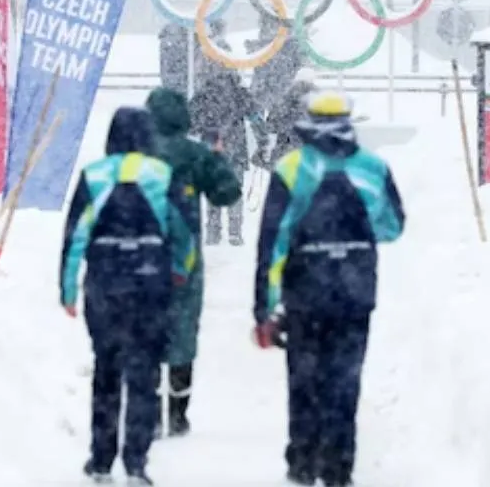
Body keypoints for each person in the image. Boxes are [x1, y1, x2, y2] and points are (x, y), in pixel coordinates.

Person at [251, 91, 406, 487]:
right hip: (355, 295)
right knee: (344, 382)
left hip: (305, 295)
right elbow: (392, 227)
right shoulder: (372, 167)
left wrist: (264, 308)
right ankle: (339, 467)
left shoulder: (291, 168)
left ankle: (303, 461)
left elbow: (273, 243)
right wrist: (353, 238)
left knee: (304, 380)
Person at [60, 106, 195, 487]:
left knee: (106, 371)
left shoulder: (94, 175)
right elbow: (183, 235)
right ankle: (136, 463)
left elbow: (75, 237)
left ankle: (101, 461)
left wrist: (67, 287)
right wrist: (179, 271)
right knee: (143, 375)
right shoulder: (161, 174)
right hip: (150, 285)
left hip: (105, 285)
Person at [145, 87, 242, 438]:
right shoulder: (195, 154)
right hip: (185, 261)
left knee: (146, 333)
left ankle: (149, 411)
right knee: (183, 333)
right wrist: (218, 158)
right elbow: (227, 193)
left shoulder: (135, 153)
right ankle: (177, 413)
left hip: (140, 257)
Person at [189, 69, 263, 246]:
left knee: (212, 187)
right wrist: (263, 138)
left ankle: (213, 231)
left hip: (212, 148)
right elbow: (256, 117)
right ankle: (235, 232)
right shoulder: (240, 92)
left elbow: (191, 121)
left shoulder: (205, 93)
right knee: (235, 189)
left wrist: (202, 129)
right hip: (236, 149)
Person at [255, 67, 317, 169]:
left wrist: (272, 127)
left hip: (287, 140)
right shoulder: (318, 95)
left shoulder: (288, 93)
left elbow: (276, 115)